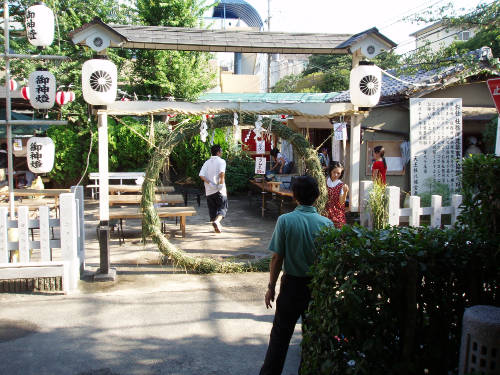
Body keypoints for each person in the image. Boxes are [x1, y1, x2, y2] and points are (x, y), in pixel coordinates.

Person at [260, 175, 333, 375]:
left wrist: (271, 287)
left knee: (280, 338)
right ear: (317, 196)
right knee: (312, 338)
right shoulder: (327, 224)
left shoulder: (285, 220)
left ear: (294, 196)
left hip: (291, 286)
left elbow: (277, 258)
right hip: (315, 287)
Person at [199, 144, 228, 233]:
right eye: (221, 151)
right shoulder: (221, 161)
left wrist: (209, 183)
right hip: (219, 190)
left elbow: (201, 175)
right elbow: (222, 173)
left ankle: (216, 225)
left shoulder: (206, 162)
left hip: (209, 190)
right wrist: (221, 184)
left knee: (213, 210)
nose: (222, 153)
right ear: (218, 152)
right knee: (222, 208)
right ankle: (217, 222)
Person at [324, 161, 349, 228]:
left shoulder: (341, 185)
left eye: (338, 173)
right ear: (330, 171)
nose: (336, 175)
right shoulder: (324, 182)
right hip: (325, 213)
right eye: (334, 172)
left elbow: (341, 202)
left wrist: (345, 192)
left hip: (337, 214)